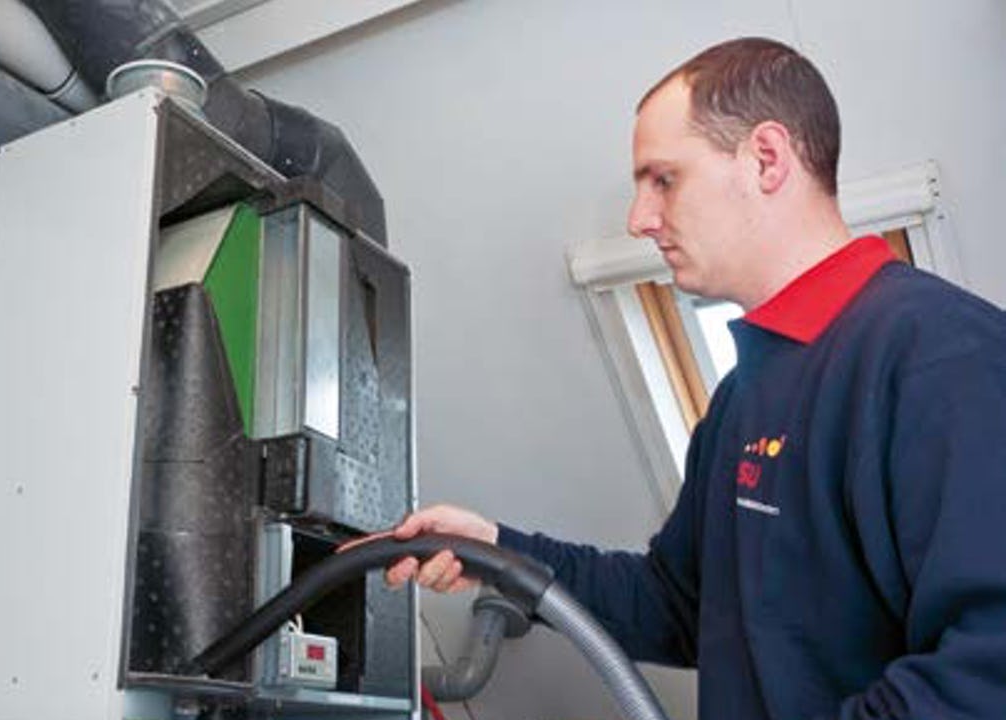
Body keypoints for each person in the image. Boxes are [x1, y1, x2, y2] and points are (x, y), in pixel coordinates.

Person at [377, 37, 1006, 719]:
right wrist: (498, 552)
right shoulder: (745, 393)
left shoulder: (941, 354)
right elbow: (677, 604)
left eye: (664, 180)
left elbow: (986, 671)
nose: (638, 219)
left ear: (766, 159)